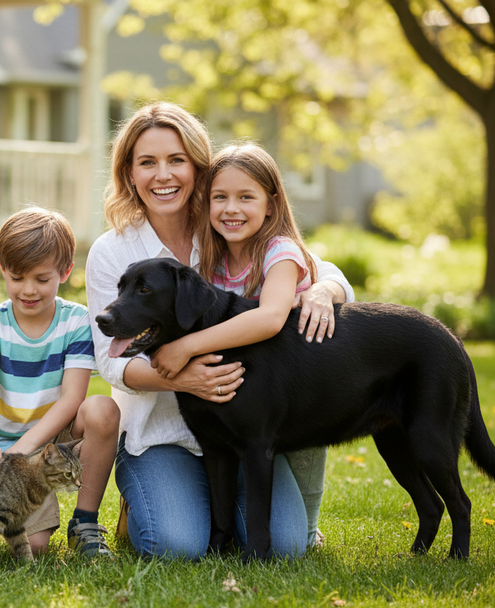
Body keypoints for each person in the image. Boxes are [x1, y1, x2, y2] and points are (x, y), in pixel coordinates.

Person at [84, 102, 354, 559]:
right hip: (162, 431)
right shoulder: (114, 251)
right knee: (177, 545)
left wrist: (324, 289)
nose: (162, 174)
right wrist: (184, 376)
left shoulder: (223, 223)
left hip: (242, 425)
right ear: (129, 173)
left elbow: (311, 266)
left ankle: (236, 512)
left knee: (286, 547)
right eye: (147, 162)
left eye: (176, 160)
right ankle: (147, 502)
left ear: (197, 169)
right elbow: (111, 363)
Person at [149, 141, 332, 549]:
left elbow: (269, 318)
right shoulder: (212, 262)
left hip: (295, 390)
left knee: (303, 456)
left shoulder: (278, 251)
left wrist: (185, 347)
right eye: (220, 198)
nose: (231, 208)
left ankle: (308, 525)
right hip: (247, 396)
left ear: (271, 204)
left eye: (245, 197)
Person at [0, 207, 121, 558]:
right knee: (34, 548)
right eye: (17, 277)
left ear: (65, 271)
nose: (28, 290)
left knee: (102, 409)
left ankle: (85, 523)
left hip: (53, 439)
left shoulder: (75, 323)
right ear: (2, 267)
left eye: (42, 280)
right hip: (4, 448)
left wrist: (27, 446)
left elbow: (72, 399)